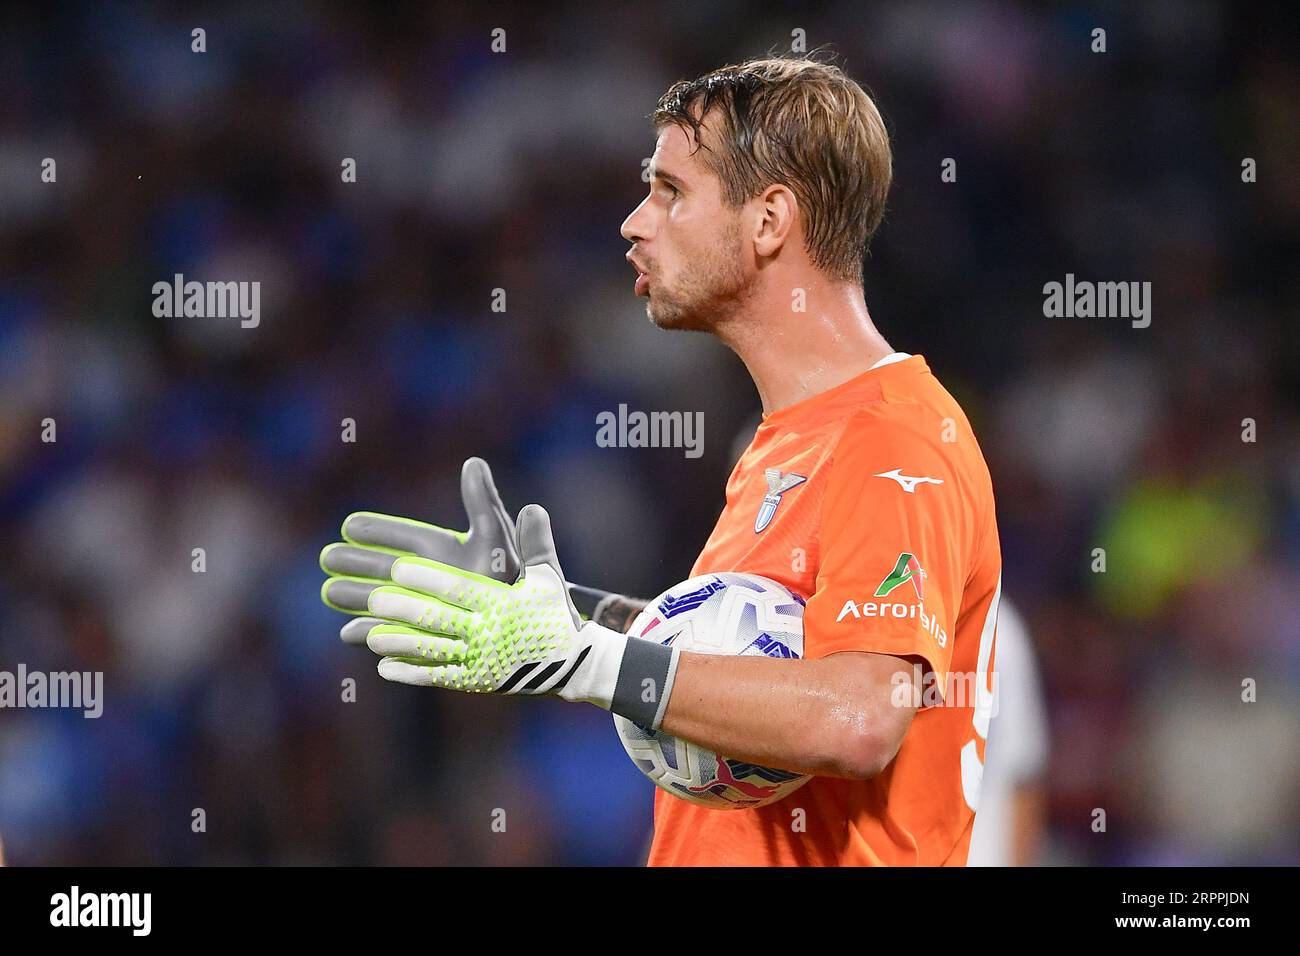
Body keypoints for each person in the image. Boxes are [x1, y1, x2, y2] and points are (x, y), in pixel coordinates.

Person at [321, 55, 1002, 866]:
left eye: (671, 191)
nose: (635, 223)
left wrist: (590, 662)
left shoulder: (896, 438)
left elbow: (856, 716)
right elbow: (758, 652)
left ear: (768, 221)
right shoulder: (785, 440)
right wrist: (553, 616)